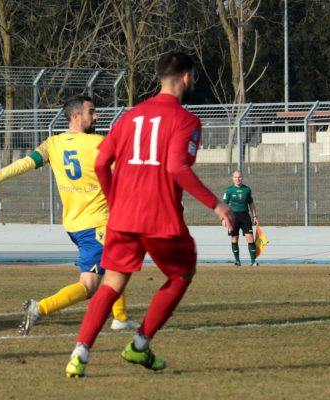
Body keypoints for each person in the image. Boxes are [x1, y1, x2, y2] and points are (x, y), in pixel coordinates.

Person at [64, 52, 234, 378]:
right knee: (181, 275)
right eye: (194, 77)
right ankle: (139, 345)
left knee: (112, 282)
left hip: (123, 217)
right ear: (186, 78)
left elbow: (101, 164)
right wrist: (217, 204)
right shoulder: (186, 121)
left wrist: (116, 201)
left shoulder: (128, 118)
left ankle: (79, 353)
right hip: (160, 217)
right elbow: (175, 166)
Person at [0, 95, 137, 336]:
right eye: (92, 112)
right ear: (76, 116)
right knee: (90, 285)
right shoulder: (101, 143)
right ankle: (40, 308)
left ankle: (120, 318)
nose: (97, 116)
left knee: (116, 265)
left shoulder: (53, 143)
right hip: (97, 224)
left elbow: (26, 163)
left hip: (74, 224)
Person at [223, 170, 259, 266]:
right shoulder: (229, 190)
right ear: (232, 178)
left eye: (239, 177)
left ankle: (253, 261)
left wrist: (254, 216)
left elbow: (251, 203)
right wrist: (224, 218)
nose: (238, 179)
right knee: (234, 238)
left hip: (245, 217)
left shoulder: (247, 189)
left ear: (242, 177)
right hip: (233, 217)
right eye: (235, 177)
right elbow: (224, 205)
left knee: (250, 238)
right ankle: (237, 261)